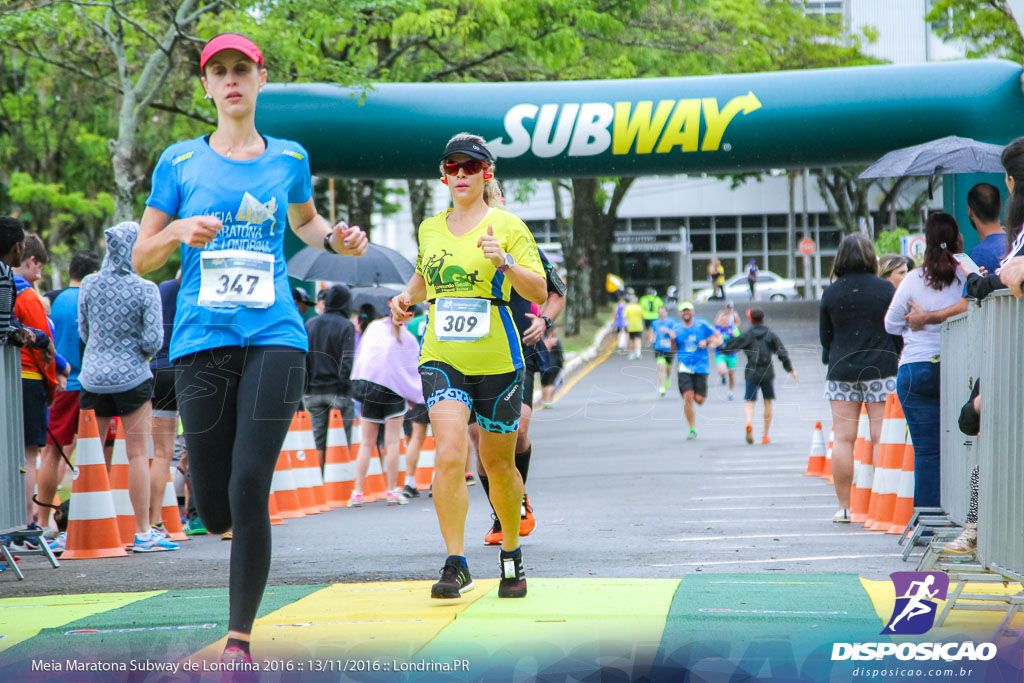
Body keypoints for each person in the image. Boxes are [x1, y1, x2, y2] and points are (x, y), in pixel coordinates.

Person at [131, 33, 368, 664]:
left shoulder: (290, 156)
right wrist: (179, 228)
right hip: (202, 339)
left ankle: (239, 636)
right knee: (212, 503)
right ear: (206, 87)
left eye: (243, 69)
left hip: (275, 337)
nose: (232, 80)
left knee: (248, 484)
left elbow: (304, 223)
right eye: (220, 72)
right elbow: (142, 254)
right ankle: (224, 522)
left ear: (260, 79)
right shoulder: (178, 163)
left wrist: (338, 239)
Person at [391, 132, 545, 600]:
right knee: (451, 452)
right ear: (444, 175)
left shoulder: (509, 227)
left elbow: (539, 292)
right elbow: (422, 281)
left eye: (470, 167)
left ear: (486, 174)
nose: (460, 175)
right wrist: (403, 299)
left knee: (497, 465)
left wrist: (507, 265)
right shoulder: (429, 227)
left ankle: (512, 555)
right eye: (452, 168)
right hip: (442, 356)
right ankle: (455, 562)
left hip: (499, 360)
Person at [79, 222, 172, 553]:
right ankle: (143, 531)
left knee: (91, 455)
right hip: (132, 378)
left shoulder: (89, 284)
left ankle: (84, 528)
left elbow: (84, 330)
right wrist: (134, 353)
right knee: (136, 455)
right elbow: (153, 340)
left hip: (92, 377)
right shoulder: (146, 289)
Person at [885, 212, 966, 509]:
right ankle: (961, 518)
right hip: (957, 369)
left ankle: (928, 525)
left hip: (915, 368)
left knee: (927, 452)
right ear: (957, 237)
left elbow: (890, 325)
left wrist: (916, 322)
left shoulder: (912, 280)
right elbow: (974, 305)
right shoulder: (965, 276)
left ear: (926, 243)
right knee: (961, 448)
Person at [820, 234, 901, 522]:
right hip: (881, 366)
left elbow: (825, 338)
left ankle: (844, 507)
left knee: (843, 438)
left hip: (841, 370)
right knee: (881, 437)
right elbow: (895, 329)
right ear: (871, 257)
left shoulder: (831, 293)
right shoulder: (885, 289)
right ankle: (879, 507)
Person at [38, 250, 100, 548]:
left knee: (52, 452)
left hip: (62, 384)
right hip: (90, 384)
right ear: (93, 274)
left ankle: (42, 522)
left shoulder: (56, 300)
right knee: (95, 454)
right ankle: (94, 517)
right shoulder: (93, 299)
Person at [13, 234, 64, 542]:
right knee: (29, 454)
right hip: (29, 379)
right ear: (29, 260)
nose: (41, 273)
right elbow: (43, 347)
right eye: (40, 266)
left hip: (11, 379)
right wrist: (54, 385)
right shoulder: (28, 297)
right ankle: (26, 523)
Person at [348, 314, 423, 507]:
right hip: (394, 392)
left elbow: (361, 356)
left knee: (366, 443)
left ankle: (357, 493)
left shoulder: (373, 328)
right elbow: (414, 368)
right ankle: (391, 491)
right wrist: (414, 395)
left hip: (370, 389)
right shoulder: (407, 338)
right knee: (392, 443)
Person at [720, 308, 797, 445]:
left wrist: (721, 345)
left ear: (751, 319)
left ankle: (749, 423)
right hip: (767, 370)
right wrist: (790, 369)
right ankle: (765, 435)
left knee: (750, 402)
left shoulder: (747, 335)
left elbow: (731, 346)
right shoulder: (770, 334)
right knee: (767, 402)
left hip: (751, 370)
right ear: (763, 318)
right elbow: (782, 352)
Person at [304, 284, 356, 462]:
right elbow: (346, 361)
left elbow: (305, 359)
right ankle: (337, 484)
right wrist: (343, 388)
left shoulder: (310, 324)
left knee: (318, 441)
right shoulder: (346, 326)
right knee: (339, 440)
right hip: (337, 393)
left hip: (313, 393)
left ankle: (320, 483)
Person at [148, 270, 182, 540]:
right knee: (209, 444)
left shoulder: (162, 288)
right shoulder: (198, 289)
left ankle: (154, 521)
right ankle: (219, 519)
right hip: (192, 367)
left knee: (162, 453)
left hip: (159, 369)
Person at [673, 301, 721, 440]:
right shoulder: (676, 328)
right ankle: (692, 429)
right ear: (680, 313)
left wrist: (706, 342)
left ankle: (695, 395)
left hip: (701, 366)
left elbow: (717, 337)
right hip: (684, 366)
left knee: (699, 399)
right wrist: (672, 340)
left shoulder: (702, 324)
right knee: (688, 396)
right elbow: (672, 350)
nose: (686, 312)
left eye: (688, 310)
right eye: (683, 310)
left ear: (692, 311)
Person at [945, 379, 980, 555]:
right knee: (980, 473)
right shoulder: (996, 373)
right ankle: (973, 531)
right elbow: (967, 425)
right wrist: (977, 405)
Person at [964, 182, 1006, 273]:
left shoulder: (979, 254)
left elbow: (973, 286)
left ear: (970, 211)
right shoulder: (1017, 242)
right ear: (1000, 205)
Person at [713, 301, 741, 400]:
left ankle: (730, 391)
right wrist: (715, 342)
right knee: (722, 370)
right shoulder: (716, 329)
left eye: (726, 321)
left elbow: (740, 340)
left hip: (731, 354)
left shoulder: (733, 328)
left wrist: (735, 338)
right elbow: (712, 342)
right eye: (722, 321)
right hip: (720, 353)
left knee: (731, 374)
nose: (724, 322)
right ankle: (723, 376)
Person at [651, 306, 675, 396]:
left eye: (662, 312)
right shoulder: (655, 322)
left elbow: (675, 334)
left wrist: (668, 331)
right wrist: (652, 338)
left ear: (666, 313)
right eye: (659, 312)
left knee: (668, 368)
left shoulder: (671, 322)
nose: (661, 314)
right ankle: (661, 387)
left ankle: (667, 378)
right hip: (658, 348)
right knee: (661, 367)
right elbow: (653, 332)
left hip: (669, 348)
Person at [540, 324, 563, 409]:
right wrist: (561, 365)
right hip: (554, 365)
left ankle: (543, 400)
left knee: (544, 383)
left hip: (543, 365)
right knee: (551, 383)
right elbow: (560, 355)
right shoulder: (556, 341)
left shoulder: (542, 341)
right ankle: (549, 400)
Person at [623, 295, 645, 360]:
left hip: (631, 326)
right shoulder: (640, 307)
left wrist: (623, 326)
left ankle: (632, 353)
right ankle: (638, 353)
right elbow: (643, 316)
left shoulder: (628, 307)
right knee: (638, 339)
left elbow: (624, 317)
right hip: (638, 326)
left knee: (631, 340)